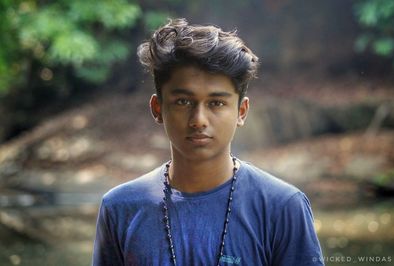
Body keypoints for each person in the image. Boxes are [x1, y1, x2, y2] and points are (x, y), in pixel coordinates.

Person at [92, 18, 324, 266]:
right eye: (183, 102)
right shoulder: (120, 208)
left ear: (241, 112)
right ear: (157, 108)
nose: (199, 120)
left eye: (216, 103)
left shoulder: (282, 207)